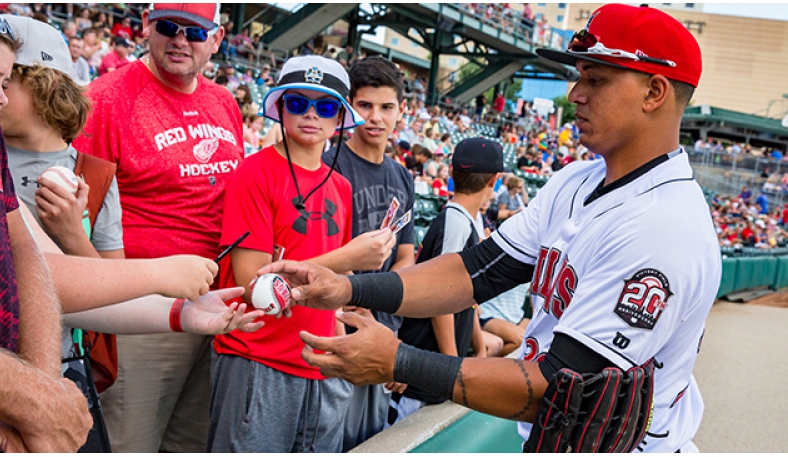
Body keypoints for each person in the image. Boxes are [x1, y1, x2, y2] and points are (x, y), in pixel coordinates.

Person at [264, 4, 720, 453]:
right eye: (579, 76)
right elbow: (474, 272)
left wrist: (398, 361)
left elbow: (561, 390)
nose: (576, 92)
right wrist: (347, 287)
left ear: (655, 92)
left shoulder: (665, 224)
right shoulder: (574, 180)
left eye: (596, 79)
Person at [73, 3, 241, 453]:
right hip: (140, 313)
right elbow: (76, 217)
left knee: (193, 442)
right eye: (169, 27)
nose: (181, 40)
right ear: (147, 26)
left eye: (196, 32)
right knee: (132, 442)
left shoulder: (224, 102)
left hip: (214, 304)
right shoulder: (105, 98)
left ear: (217, 39)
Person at [207, 55, 393, 453]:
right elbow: (253, 281)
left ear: (340, 116)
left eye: (325, 106)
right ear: (281, 109)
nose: (311, 114)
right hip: (260, 357)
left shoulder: (340, 186)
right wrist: (349, 258)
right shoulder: (253, 172)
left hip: (322, 361)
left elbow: (333, 287)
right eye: (297, 103)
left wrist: (342, 341)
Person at [0, 9, 93, 452]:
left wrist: (40, 395)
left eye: (6, 78)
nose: (2, 98)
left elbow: (25, 253)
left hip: (40, 376)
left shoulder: (95, 172)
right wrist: (36, 402)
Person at [317, 56, 416, 451]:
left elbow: (406, 256)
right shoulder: (328, 165)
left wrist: (393, 338)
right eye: (365, 105)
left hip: (383, 328)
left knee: (370, 441)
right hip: (335, 327)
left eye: (386, 107)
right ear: (349, 107)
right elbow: (319, 256)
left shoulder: (402, 175)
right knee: (326, 439)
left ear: (401, 111)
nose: (376, 117)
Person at [389, 138, 501, 425]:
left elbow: (467, 296)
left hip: (435, 364)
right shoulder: (457, 222)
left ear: (451, 173)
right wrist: (451, 366)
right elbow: (441, 297)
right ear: (495, 180)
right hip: (426, 364)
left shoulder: (467, 220)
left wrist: (479, 347)